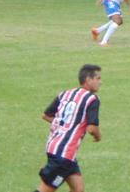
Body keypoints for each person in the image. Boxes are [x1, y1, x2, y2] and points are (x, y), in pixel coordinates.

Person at [35, 64, 102, 192]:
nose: (101, 82)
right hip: (63, 155)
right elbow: (91, 129)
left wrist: (65, 124)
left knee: (78, 189)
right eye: (98, 78)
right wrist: (98, 136)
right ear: (88, 79)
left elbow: (46, 115)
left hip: (56, 148)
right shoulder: (92, 99)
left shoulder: (65, 94)